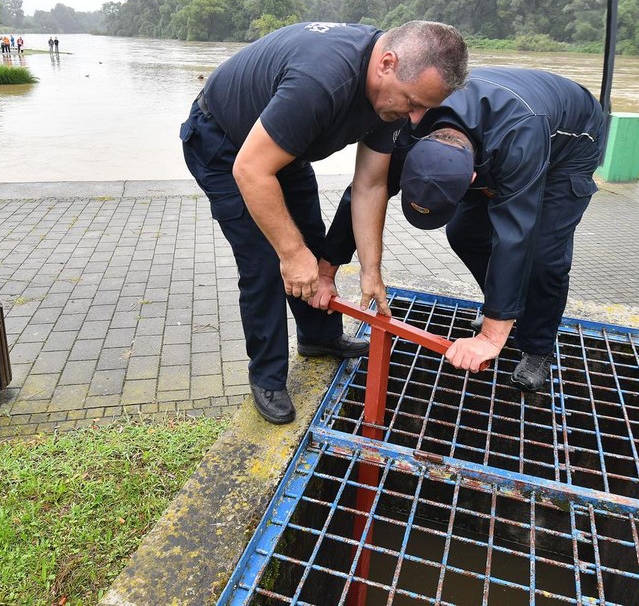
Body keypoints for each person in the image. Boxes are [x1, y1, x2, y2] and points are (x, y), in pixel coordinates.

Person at [181, 21, 468, 424]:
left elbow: (370, 185)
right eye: (412, 102)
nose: (416, 118)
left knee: (313, 244)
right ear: (387, 63)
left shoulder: (394, 94)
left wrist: (371, 271)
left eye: (424, 107)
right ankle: (267, 376)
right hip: (225, 145)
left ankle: (319, 337)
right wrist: (290, 253)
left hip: (283, 146)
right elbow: (251, 169)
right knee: (267, 261)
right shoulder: (321, 81)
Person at [318, 66, 605, 392]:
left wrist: (489, 338)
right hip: (489, 132)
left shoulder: (518, 137)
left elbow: (515, 234)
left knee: (542, 255)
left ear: (472, 180)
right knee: (464, 232)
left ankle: (536, 345)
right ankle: (508, 308)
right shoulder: (411, 124)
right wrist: (327, 272)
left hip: (569, 141)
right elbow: (364, 190)